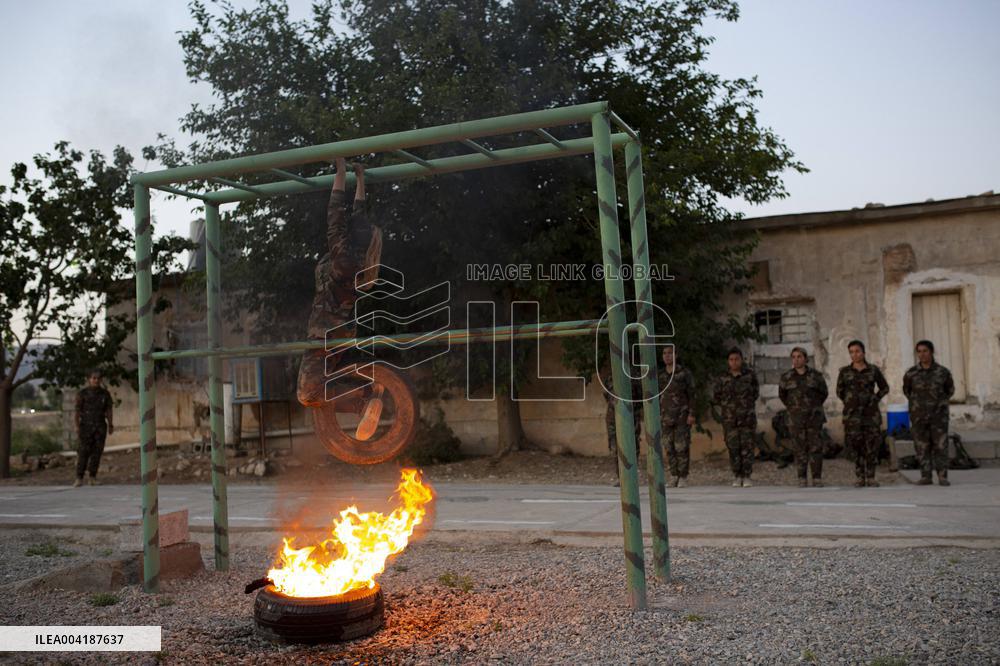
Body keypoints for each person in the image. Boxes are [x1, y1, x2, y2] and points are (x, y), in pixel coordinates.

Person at [296, 158, 383, 435]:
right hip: (338, 333)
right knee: (319, 383)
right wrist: (360, 178)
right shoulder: (359, 258)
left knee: (307, 394)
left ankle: (363, 398)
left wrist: (341, 172)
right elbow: (358, 212)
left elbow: (335, 215)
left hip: (325, 334)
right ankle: (365, 393)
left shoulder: (344, 260)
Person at [836, 340, 889, 487]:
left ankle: (871, 477)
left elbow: (884, 388)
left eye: (857, 351)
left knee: (872, 445)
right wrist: (850, 401)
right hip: (852, 415)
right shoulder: (845, 372)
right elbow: (839, 391)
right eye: (851, 352)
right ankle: (860, 477)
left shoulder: (873, 370)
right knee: (856, 445)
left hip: (870, 414)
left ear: (863, 352)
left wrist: (874, 399)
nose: (855, 354)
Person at [903, 340, 955, 486]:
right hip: (918, 416)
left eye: (925, 351)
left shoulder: (942, 372)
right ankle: (926, 476)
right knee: (921, 446)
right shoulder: (911, 373)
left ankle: (942, 476)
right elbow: (907, 391)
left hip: (939, 417)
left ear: (931, 352)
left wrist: (938, 404)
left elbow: (950, 390)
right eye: (919, 351)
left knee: (941, 445)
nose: (922, 354)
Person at [779, 347, 829, 487]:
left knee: (816, 448)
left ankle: (817, 478)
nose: (796, 359)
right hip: (796, 419)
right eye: (794, 357)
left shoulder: (816, 376)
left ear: (806, 359)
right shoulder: (786, 377)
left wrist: (813, 407)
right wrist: (795, 408)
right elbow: (783, 395)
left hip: (814, 418)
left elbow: (824, 393)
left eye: (799, 356)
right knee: (799, 448)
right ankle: (802, 477)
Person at [711, 348, 759, 488]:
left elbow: (755, 393)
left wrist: (745, 406)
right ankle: (737, 475)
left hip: (747, 418)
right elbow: (716, 396)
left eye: (737, 359)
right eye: (731, 360)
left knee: (747, 447)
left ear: (741, 360)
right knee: (733, 447)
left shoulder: (750, 376)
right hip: (729, 419)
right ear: (728, 361)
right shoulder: (722, 377)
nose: (734, 362)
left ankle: (747, 475)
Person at [659, 346, 696, 488]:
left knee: (682, 447)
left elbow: (692, 394)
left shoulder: (684, 374)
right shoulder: (661, 375)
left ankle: (683, 476)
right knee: (669, 447)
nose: (667, 356)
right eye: (664, 353)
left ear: (676, 355)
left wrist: (691, 414)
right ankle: (674, 475)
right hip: (665, 417)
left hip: (682, 416)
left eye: (670, 353)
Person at [604, 369, 644, 488]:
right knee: (614, 447)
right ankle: (620, 477)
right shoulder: (611, 377)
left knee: (632, 446)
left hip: (630, 416)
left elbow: (640, 397)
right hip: (613, 417)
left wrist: (632, 409)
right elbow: (606, 395)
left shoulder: (634, 377)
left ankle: (631, 476)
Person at [74, 369, 114, 487]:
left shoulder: (105, 394)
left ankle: (92, 477)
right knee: (83, 452)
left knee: (97, 452)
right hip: (85, 426)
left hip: (100, 426)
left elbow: (109, 410)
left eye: (98, 378)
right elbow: (77, 411)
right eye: (94, 378)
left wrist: (110, 424)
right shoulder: (82, 394)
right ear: (89, 380)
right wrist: (77, 426)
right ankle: (79, 478)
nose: (96, 380)